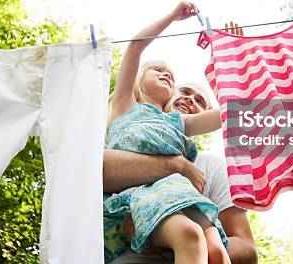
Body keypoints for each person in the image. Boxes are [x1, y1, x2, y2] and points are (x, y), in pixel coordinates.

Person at [104, 2, 231, 264]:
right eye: (157, 71)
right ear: (140, 80)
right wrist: (172, 17)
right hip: (146, 192)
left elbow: (224, 115)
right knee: (190, 236)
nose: (165, 75)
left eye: (171, 75)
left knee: (217, 252)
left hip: (182, 191)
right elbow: (135, 46)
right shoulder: (125, 105)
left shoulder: (176, 121)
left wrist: (230, 54)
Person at [104, 79, 258, 264]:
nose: (191, 99)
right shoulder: (127, 141)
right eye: (184, 91)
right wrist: (176, 165)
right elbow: (99, 170)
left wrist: (187, 245)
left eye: (200, 101)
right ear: (167, 98)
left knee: (210, 242)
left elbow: (247, 250)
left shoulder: (212, 167)